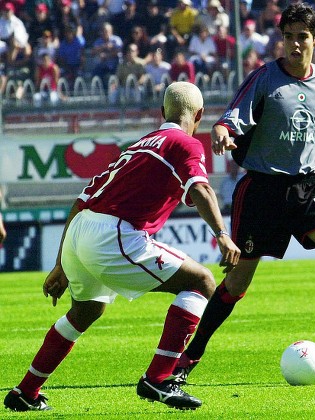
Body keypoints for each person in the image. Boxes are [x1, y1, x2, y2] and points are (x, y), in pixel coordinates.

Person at [173, 2, 315, 386]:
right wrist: (222, 133)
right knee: (237, 284)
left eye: (301, 38)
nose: (293, 45)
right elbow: (231, 119)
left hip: (311, 187)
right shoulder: (264, 78)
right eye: (287, 37)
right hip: (263, 191)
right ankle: (189, 356)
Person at [3, 81, 240, 412]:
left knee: (85, 311)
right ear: (199, 115)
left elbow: (80, 202)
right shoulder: (184, 143)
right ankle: (158, 379)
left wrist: (60, 263)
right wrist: (222, 234)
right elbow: (201, 189)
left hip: (80, 231)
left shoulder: (137, 145)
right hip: (113, 234)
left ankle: (25, 392)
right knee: (201, 281)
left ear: (162, 113)